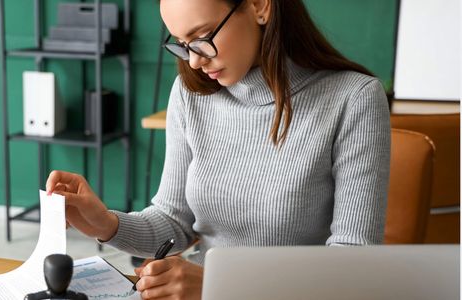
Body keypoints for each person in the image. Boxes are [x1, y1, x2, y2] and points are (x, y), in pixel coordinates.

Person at [46, 0, 391, 298]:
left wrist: (220, 284)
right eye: (182, 43)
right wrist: (105, 223)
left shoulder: (354, 99)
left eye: (202, 37)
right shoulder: (189, 93)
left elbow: (352, 264)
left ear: (259, 6)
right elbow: (173, 221)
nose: (194, 61)